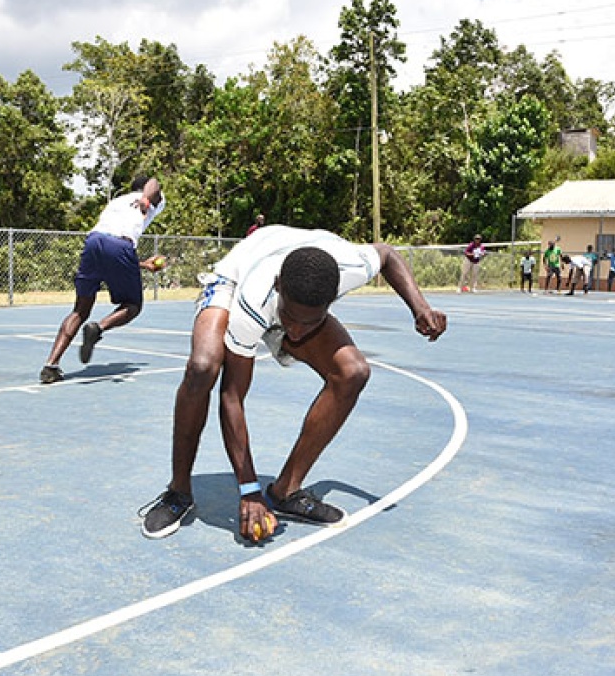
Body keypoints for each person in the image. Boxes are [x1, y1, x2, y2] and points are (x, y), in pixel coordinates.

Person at [138, 225, 447, 541]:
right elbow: (231, 396)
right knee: (203, 368)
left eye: (309, 321)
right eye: (291, 319)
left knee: (353, 372)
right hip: (235, 279)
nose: (295, 333)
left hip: (290, 281)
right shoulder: (253, 302)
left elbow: (387, 254)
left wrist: (420, 308)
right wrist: (248, 489)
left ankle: (285, 491)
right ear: (278, 288)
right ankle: (178, 492)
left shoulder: (351, 266)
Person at [39, 176, 166, 383]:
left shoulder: (116, 202)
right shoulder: (148, 200)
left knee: (80, 309)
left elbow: (109, 250)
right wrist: (146, 199)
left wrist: (143, 264)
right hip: (121, 245)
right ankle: (98, 328)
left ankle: (50, 366)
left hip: (94, 241)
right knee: (133, 305)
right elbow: (154, 182)